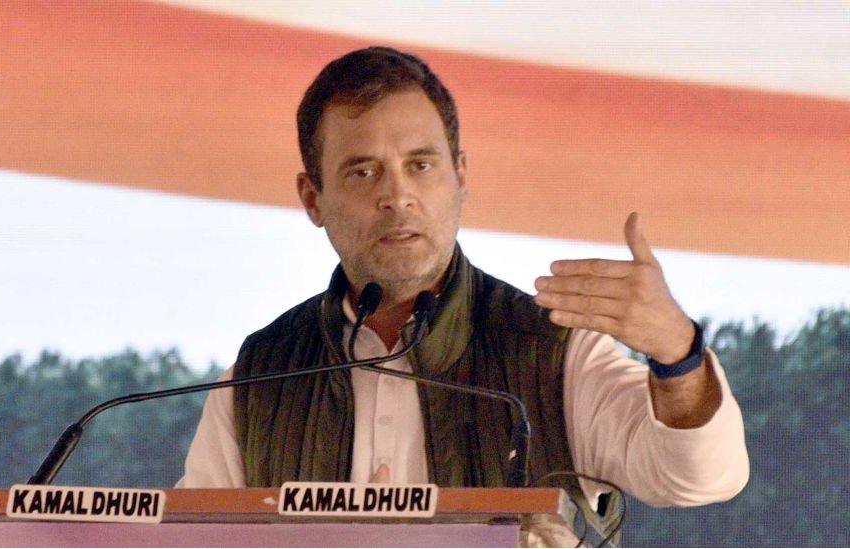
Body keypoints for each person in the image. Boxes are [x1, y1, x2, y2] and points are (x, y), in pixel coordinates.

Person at [178, 46, 748, 544]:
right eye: (362, 172)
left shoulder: (552, 350)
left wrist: (679, 354)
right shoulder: (259, 376)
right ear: (312, 198)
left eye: (420, 165)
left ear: (460, 176)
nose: (397, 196)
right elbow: (190, 540)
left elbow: (699, 478)